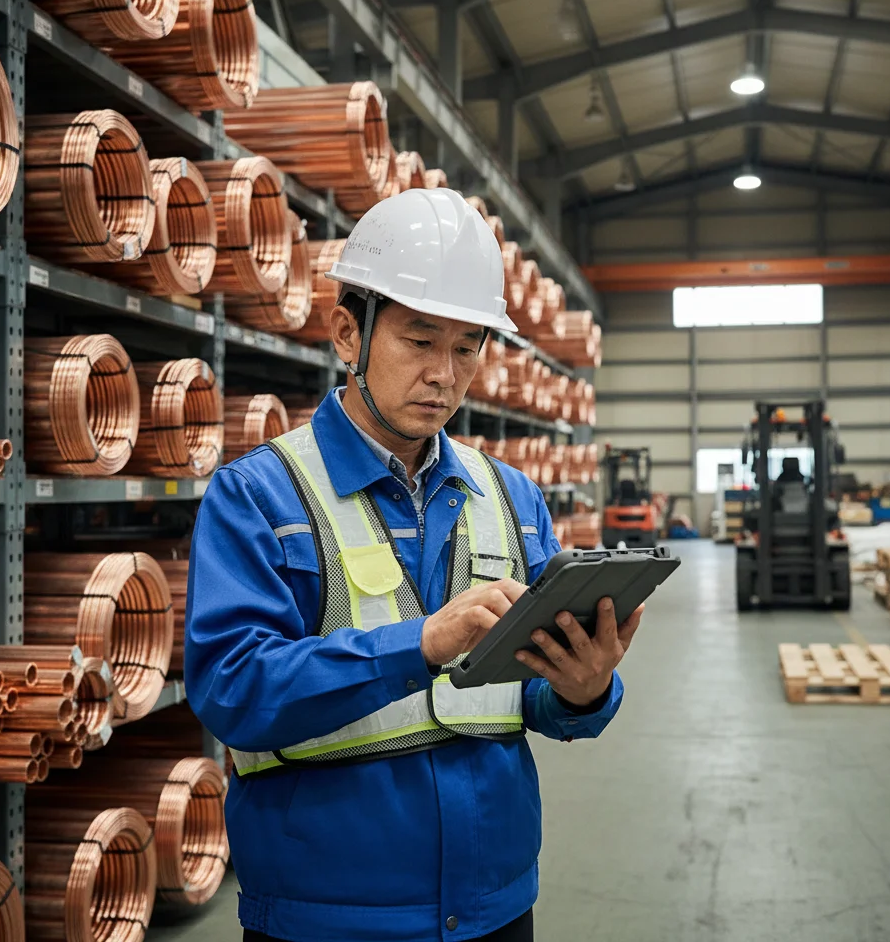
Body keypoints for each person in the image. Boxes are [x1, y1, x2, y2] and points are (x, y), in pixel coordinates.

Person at [185, 188, 644, 942]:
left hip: (495, 906)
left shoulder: (510, 494)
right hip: (328, 916)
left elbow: (525, 694)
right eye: (419, 340)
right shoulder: (262, 496)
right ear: (346, 333)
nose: (445, 374)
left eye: (468, 346)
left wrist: (584, 692)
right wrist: (419, 643)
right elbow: (233, 692)